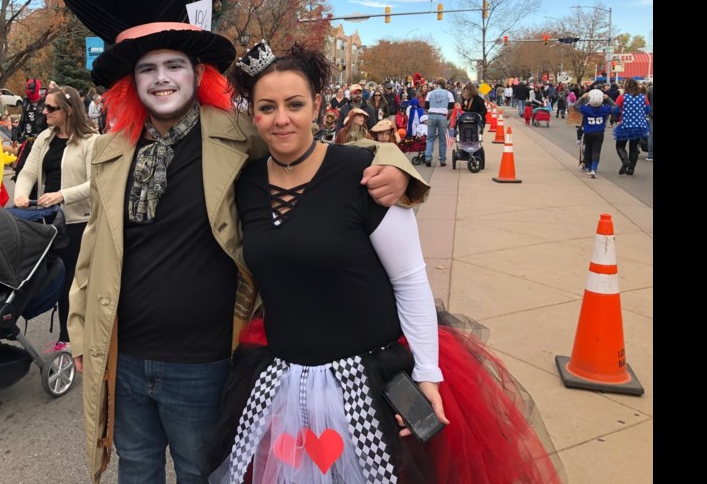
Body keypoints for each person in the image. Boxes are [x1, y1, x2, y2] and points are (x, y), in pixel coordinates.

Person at [59, 0, 427, 484]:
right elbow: (94, 250)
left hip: (203, 358)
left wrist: (396, 162)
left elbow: (310, 148)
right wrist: (84, 331)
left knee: (199, 470)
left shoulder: (236, 134)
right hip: (125, 354)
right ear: (131, 83)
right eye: (148, 69)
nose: (162, 79)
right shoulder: (109, 152)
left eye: (174, 65)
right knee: (133, 468)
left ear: (197, 73)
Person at [206, 42, 564, 484]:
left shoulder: (368, 175)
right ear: (253, 115)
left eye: (295, 104)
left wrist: (429, 376)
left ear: (318, 105)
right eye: (267, 107)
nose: (282, 118)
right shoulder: (243, 185)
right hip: (279, 380)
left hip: (371, 381)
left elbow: (410, 282)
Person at [13, 84, 97, 354]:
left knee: (70, 280)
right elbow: (27, 172)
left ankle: (68, 338)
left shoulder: (91, 141)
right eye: (44, 107)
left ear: (69, 111)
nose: (44, 111)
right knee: (41, 275)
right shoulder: (45, 138)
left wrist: (62, 195)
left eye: (51, 108)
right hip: (46, 217)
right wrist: (21, 195)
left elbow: (96, 183)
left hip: (76, 220)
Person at [571, 89, 617, 178]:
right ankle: (593, 169)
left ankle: (587, 165)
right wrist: (608, 99)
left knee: (588, 149)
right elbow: (615, 107)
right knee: (596, 150)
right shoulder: (604, 109)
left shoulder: (586, 109)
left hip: (588, 132)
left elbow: (575, 106)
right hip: (599, 132)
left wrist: (582, 97)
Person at [11, 78, 48, 185]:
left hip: (41, 141)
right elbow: (23, 119)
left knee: (40, 169)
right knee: (20, 168)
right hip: (27, 141)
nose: (29, 91)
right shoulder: (25, 102)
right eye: (28, 88)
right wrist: (15, 136)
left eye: (31, 89)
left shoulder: (44, 104)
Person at [612, 78, 650, 176]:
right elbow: (648, 110)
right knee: (634, 147)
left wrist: (619, 113)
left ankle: (625, 161)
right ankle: (631, 169)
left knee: (620, 146)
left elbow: (615, 110)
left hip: (625, 125)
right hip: (639, 126)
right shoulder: (643, 97)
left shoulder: (622, 97)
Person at [424, 78, 454, 167]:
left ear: (436, 84)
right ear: (444, 84)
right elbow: (451, 108)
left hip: (432, 115)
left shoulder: (430, 93)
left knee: (430, 138)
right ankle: (442, 159)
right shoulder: (448, 93)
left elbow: (426, 106)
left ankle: (428, 157)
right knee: (442, 139)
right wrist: (447, 117)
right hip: (442, 116)